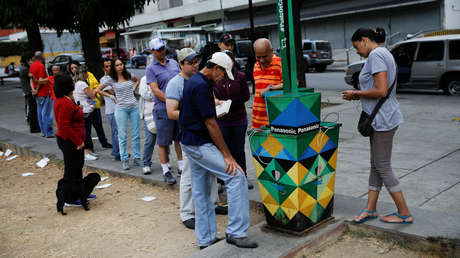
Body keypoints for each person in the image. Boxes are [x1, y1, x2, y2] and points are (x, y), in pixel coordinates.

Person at [179, 52, 257, 249]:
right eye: (223, 75)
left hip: (191, 140)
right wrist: (227, 155)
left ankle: (205, 239)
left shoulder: (196, 81)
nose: (223, 79)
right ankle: (236, 232)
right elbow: (211, 123)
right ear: (216, 69)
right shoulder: (201, 85)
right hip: (199, 142)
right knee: (236, 176)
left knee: (202, 190)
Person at [342, 28, 413, 224]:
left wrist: (355, 94)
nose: (357, 51)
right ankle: (370, 209)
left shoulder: (376, 55)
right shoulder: (383, 54)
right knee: (376, 165)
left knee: (382, 166)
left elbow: (381, 90)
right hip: (382, 118)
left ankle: (404, 212)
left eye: (357, 47)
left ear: (364, 40)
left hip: (383, 120)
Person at [166, 48, 226, 230]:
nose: (194, 65)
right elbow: (171, 112)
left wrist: (217, 105)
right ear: (180, 64)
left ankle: (213, 203)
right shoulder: (175, 84)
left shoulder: (201, 79)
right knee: (189, 174)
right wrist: (196, 115)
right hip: (191, 135)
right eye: (189, 62)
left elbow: (208, 101)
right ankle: (186, 212)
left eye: (196, 61)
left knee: (212, 171)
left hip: (205, 133)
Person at [54, 73, 96, 205]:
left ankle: (79, 192)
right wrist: (78, 142)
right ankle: (69, 198)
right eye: (71, 82)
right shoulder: (64, 102)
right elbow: (65, 126)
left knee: (77, 168)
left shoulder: (65, 100)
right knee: (72, 170)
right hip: (70, 141)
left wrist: (78, 109)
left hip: (72, 140)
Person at [213, 50, 253, 190]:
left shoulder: (240, 76)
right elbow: (212, 95)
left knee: (238, 149)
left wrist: (230, 102)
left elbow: (246, 96)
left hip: (238, 118)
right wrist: (218, 102)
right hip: (222, 120)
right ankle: (221, 179)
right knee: (223, 150)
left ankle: (243, 176)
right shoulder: (216, 77)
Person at [146, 37, 182, 185]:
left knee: (179, 138)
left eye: (163, 48)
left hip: (178, 107)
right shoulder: (150, 69)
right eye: (159, 49)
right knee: (163, 141)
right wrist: (171, 101)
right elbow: (155, 90)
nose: (162, 51)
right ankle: (165, 170)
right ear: (152, 51)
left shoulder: (173, 63)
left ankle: (181, 166)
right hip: (162, 109)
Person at [96, 58, 140, 170]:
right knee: (122, 135)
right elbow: (98, 90)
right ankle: (124, 159)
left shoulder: (129, 74)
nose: (120, 66)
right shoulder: (111, 79)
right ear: (114, 68)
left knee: (136, 134)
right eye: (117, 65)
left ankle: (137, 158)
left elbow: (137, 80)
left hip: (134, 107)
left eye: (121, 64)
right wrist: (111, 96)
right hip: (121, 109)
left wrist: (133, 90)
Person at [251, 38, 283, 129]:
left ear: (271, 51)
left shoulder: (280, 63)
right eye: (258, 57)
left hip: (275, 120)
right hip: (257, 119)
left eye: (264, 56)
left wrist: (270, 88)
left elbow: (292, 84)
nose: (261, 60)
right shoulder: (256, 65)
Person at [73, 65, 98, 161]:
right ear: (83, 73)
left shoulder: (77, 83)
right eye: (86, 72)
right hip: (85, 111)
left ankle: (87, 152)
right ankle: (86, 152)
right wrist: (97, 89)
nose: (88, 74)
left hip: (82, 110)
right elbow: (92, 95)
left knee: (86, 131)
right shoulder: (83, 84)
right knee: (86, 133)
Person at [98, 58, 120, 161]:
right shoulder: (104, 79)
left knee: (119, 132)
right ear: (103, 68)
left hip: (118, 108)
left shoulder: (115, 78)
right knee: (115, 132)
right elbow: (113, 92)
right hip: (111, 110)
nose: (109, 68)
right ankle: (116, 153)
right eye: (106, 66)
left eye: (110, 65)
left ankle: (118, 151)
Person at [29, 51, 54, 138]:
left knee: (40, 112)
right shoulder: (41, 66)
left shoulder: (32, 66)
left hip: (37, 94)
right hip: (44, 92)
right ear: (41, 57)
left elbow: (31, 79)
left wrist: (33, 90)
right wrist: (37, 89)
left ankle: (43, 132)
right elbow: (40, 80)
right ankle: (48, 133)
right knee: (46, 113)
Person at [87, 67, 112, 149]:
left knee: (98, 125)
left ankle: (104, 142)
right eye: (72, 68)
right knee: (87, 128)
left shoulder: (90, 75)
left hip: (94, 104)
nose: (74, 69)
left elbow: (96, 86)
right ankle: (89, 146)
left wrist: (95, 94)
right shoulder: (73, 79)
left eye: (75, 67)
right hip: (84, 107)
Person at [139, 75, 157, 175]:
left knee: (164, 140)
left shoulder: (161, 76)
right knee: (150, 140)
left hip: (161, 112)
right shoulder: (144, 79)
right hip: (148, 114)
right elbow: (145, 94)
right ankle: (146, 163)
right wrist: (158, 93)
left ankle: (166, 162)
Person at [19, 52, 40, 133]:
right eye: (31, 59)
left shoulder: (24, 67)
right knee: (32, 109)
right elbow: (32, 76)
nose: (33, 61)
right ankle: (33, 126)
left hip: (27, 90)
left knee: (31, 108)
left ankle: (33, 124)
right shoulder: (24, 69)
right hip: (29, 91)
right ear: (27, 60)